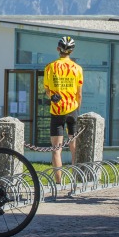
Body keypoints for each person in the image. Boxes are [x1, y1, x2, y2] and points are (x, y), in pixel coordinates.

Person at [43, 36, 83, 184]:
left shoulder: (50, 67)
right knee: (74, 148)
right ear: (71, 51)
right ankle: (75, 181)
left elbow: (48, 91)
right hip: (72, 109)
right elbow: (79, 93)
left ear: (58, 49)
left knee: (56, 149)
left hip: (57, 111)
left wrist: (53, 95)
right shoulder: (77, 69)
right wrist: (78, 107)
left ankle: (59, 183)